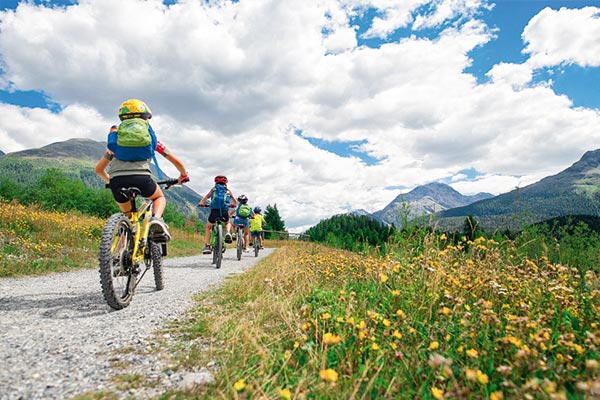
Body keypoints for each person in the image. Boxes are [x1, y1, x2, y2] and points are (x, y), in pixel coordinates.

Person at [95, 99, 189, 242]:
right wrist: (183, 175)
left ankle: (119, 253)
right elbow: (178, 162)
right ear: (146, 119)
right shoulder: (151, 140)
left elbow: (99, 170)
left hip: (117, 182)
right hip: (142, 179)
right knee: (159, 197)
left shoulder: (115, 141)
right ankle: (156, 220)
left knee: (127, 219)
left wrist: (111, 180)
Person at [199, 175, 237, 254]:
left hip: (214, 211)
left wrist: (202, 203)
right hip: (224, 211)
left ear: (215, 182)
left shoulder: (214, 189)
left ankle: (207, 245)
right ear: (226, 182)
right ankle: (227, 232)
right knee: (227, 222)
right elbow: (234, 201)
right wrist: (233, 205)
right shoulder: (228, 191)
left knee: (208, 226)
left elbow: (206, 197)